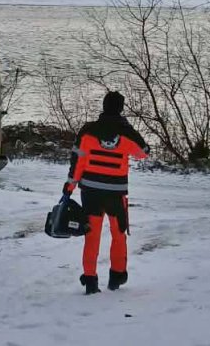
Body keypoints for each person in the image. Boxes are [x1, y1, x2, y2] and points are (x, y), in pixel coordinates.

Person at [63, 91, 150, 294]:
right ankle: (117, 276)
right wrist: (127, 130)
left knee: (91, 236)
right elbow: (143, 152)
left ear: (103, 106)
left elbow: (78, 161)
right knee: (118, 234)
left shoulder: (88, 131)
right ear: (121, 108)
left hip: (90, 192)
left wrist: (70, 186)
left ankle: (91, 280)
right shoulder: (126, 132)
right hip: (116, 193)